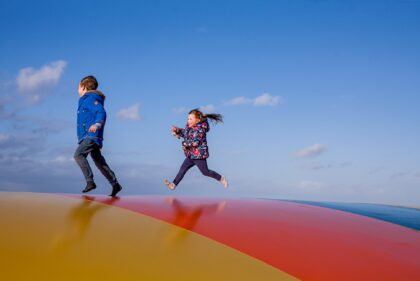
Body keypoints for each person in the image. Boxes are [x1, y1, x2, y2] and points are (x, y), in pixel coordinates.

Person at [74, 75, 122, 197]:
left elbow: (101, 112)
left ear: (84, 87)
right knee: (99, 161)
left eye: (78, 87)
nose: (77, 90)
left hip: (91, 135)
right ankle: (115, 183)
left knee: (78, 155)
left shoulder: (89, 99)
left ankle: (90, 182)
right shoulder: (86, 100)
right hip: (89, 135)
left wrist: (97, 124)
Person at [164, 109, 228, 190]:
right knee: (182, 169)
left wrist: (184, 144)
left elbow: (195, 142)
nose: (188, 121)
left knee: (205, 172)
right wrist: (177, 130)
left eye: (191, 119)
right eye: (188, 119)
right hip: (191, 155)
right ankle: (173, 184)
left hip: (199, 156)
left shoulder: (200, 129)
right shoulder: (189, 128)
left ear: (197, 120)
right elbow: (185, 134)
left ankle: (221, 178)